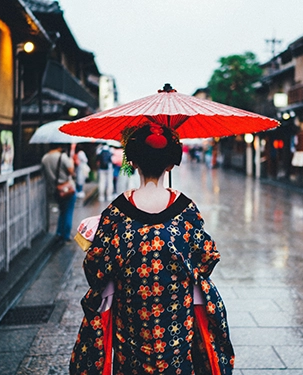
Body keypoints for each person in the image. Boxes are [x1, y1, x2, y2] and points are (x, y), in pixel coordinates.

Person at [70, 124, 234, 375]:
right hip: (177, 318)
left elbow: (95, 268)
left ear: (133, 162)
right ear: (170, 165)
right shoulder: (185, 209)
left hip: (131, 319)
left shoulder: (116, 212)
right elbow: (207, 257)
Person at [41, 144, 76, 242]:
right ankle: (66, 235)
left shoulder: (45, 158)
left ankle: (59, 232)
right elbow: (71, 172)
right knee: (68, 212)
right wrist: (71, 162)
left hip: (55, 189)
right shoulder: (62, 157)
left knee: (62, 211)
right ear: (59, 146)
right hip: (67, 188)